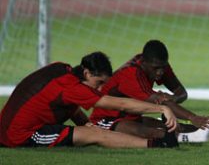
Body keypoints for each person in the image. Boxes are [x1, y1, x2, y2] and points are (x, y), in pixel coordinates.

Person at [0, 52, 179, 148]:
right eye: (99, 82)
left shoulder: (62, 69)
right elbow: (119, 103)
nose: (100, 89)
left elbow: (66, 104)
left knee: (90, 131)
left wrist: (85, 123)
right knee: (95, 136)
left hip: (8, 127)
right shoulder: (73, 87)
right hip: (20, 135)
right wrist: (162, 109)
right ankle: (157, 145)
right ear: (86, 73)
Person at [90, 40, 209, 143]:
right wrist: (191, 116)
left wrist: (170, 100)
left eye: (162, 68)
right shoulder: (130, 73)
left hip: (130, 115)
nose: (159, 72)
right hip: (104, 118)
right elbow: (158, 102)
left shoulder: (158, 64)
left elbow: (181, 93)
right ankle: (188, 138)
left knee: (172, 127)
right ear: (144, 62)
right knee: (145, 131)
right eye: (155, 68)